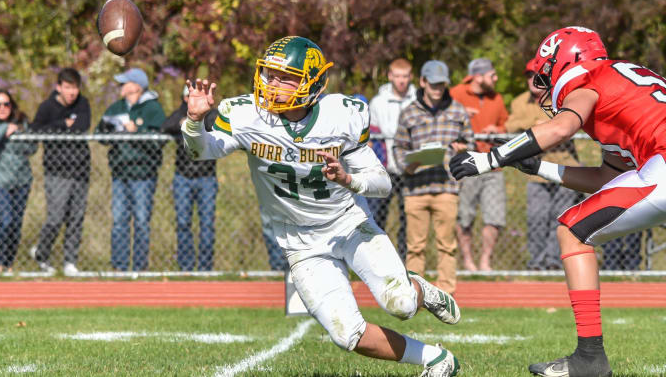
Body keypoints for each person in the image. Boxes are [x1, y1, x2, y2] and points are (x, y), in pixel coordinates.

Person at [182, 36, 461, 376]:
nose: (272, 84)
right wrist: (195, 122)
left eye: (286, 78)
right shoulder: (245, 115)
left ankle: (421, 290)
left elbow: (382, 181)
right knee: (348, 334)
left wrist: (349, 180)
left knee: (401, 304)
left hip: (348, 223)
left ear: (311, 82)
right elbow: (200, 151)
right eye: (269, 75)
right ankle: (435, 359)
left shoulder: (341, 115)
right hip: (299, 243)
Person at [449, 26, 666, 377]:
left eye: (546, 69)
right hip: (659, 163)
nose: (542, 82)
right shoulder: (624, 90)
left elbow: (560, 129)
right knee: (579, 221)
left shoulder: (590, 78)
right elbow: (604, 179)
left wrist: (490, 159)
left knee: (572, 229)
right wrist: (538, 167)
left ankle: (589, 358)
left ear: (568, 58)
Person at [393, 60, 473, 295]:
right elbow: (399, 148)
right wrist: (408, 163)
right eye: (434, 84)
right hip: (415, 188)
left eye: (442, 84)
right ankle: (415, 293)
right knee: (415, 247)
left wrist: (463, 150)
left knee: (447, 245)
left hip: (447, 187)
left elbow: (471, 143)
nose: (438, 88)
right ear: (423, 82)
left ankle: (447, 293)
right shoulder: (408, 113)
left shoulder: (458, 110)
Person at [505, 58, 581, 271]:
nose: (532, 80)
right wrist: (536, 128)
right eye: (529, 76)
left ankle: (554, 262)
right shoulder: (519, 102)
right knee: (537, 217)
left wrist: (548, 129)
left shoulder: (561, 97)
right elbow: (509, 126)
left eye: (536, 75)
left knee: (561, 217)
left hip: (565, 168)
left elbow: (574, 124)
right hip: (536, 170)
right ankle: (536, 263)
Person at [96, 68, 166, 271]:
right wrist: (108, 128)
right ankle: (119, 266)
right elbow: (100, 134)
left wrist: (137, 132)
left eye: (124, 83)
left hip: (143, 174)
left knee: (142, 221)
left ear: (136, 86)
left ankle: (140, 268)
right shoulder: (117, 107)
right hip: (120, 173)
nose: (120, 87)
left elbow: (158, 140)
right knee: (119, 221)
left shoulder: (153, 108)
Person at [29, 68, 91, 276]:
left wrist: (62, 128)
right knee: (55, 217)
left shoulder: (83, 104)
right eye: (67, 88)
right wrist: (63, 124)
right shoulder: (47, 107)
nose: (72, 92)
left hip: (80, 170)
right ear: (59, 87)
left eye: (75, 87)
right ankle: (41, 253)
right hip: (57, 171)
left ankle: (70, 261)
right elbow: (36, 130)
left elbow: (83, 125)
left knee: (76, 218)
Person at [450, 57, 509, 271]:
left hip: (494, 165)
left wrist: (498, 130)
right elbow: (443, 122)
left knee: (494, 216)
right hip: (467, 163)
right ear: (478, 76)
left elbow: (506, 126)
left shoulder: (497, 98)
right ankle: (468, 262)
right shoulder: (456, 94)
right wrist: (462, 116)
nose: (496, 78)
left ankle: (485, 262)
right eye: (492, 75)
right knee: (464, 216)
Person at [0, 89, 37, 276]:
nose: (2, 108)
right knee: (6, 220)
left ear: (12, 105)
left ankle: (10, 264)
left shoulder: (22, 122)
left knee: (16, 224)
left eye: (6, 104)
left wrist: (20, 132)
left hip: (21, 180)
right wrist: (5, 129)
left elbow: (32, 147)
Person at [161, 84, 218, 271]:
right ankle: (185, 267)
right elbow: (165, 127)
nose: (189, 101)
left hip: (206, 177)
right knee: (183, 223)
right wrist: (185, 120)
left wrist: (196, 119)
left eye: (193, 97)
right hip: (183, 177)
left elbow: (214, 126)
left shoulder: (211, 114)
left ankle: (205, 268)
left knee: (207, 225)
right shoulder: (180, 113)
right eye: (186, 97)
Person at [367, 58, 417, 259]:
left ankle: (405, 262)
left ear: (410, 77)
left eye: (405, 76)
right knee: (379, 217)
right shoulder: (378, 102)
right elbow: (371, 133)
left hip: (410, 168)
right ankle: (379, 260)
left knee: (409, 218)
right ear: (390, 76)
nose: (401, 81)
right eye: (397, 76)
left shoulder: (417, 99)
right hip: (385, 169)